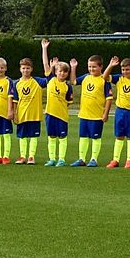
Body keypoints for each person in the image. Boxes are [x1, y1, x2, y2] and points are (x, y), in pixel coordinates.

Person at [102, 56, 130, 169]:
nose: (125, 72)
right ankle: (115, 159)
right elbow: (104, 77)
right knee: (119, 135)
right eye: (123, 69)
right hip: (120, 111)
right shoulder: (119, 78)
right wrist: (111, 65)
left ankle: (129, 160)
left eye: (127, 69)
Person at [70, 54, 112, 167]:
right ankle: (81, 159)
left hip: (97, 115)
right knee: (83, 137)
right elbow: (73, 82)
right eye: (89, 66)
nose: (91, 69)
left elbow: (109, 99)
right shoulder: (86, 77)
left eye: (94, 67)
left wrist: (106, 113)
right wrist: (73, 67)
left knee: (95, 137)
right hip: (84, 114)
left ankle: (94, 159)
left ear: (101, 67)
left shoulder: (104, 80)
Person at [41, 39, 73, 167]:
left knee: (62, 138)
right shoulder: (50, 80)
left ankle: (61, 159)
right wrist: (44, 48)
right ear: (56, 71)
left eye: (65, 72)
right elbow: (45, 63)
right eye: (60, 71)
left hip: (62, 116)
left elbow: (68, 102)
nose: (62, 73)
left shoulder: (68, 86)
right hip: (50, 114)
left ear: (67, 73)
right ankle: (52, 159)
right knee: (51, 137)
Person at [9, 58, 44, 165]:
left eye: (28, 68)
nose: (25, 70)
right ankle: (23, 156)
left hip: (34, 114)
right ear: (20, 69)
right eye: (23, 68)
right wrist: (14, 113)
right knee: (22, 136)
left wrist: (51, 67)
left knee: (33, 136)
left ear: (31, 69)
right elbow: (15, 100)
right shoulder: (16, 83)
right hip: (22, 114)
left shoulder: (38, 81)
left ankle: (31, 157)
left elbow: (50, 78)